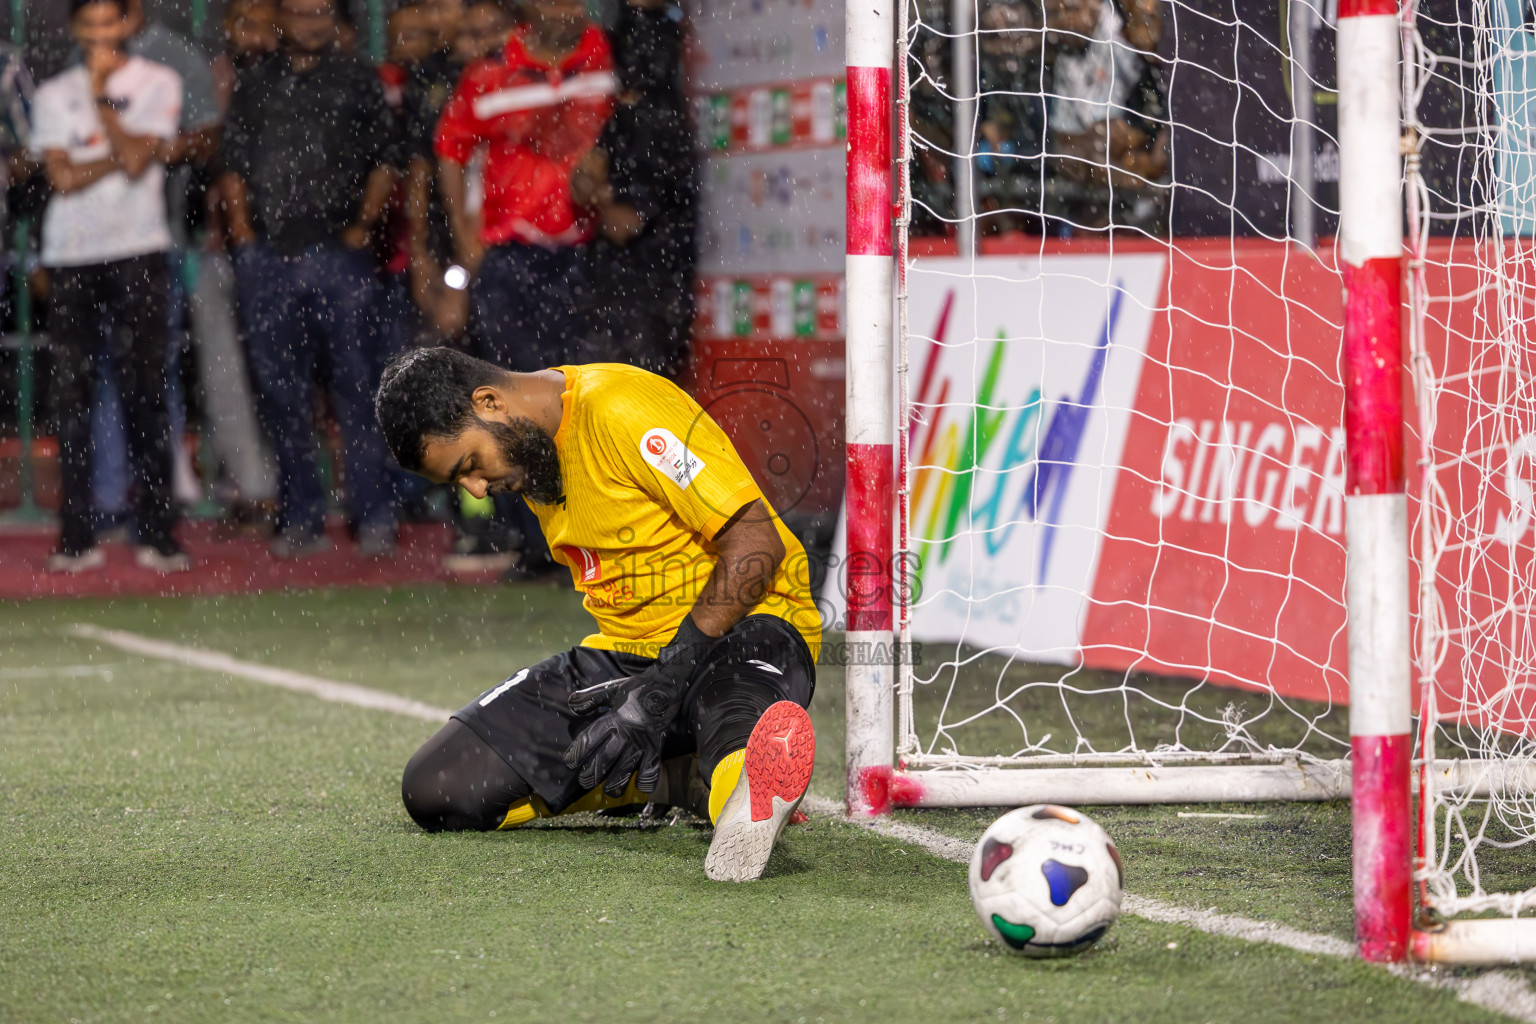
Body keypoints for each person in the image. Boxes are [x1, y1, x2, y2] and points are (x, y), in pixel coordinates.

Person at [375, 348, 821, 882]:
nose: (475, 489)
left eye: (469, 466)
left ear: (489, 402)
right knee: (436, 788)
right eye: (458, 483)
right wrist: (648, 688)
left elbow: (756, 545)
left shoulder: (623, 410)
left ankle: (743, 787)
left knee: (732, 710)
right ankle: (683, 780)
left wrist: (665, 682)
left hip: (744, 629)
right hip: (628, 656)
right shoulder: (532, 452)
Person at [223, 0, 402, 558]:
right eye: (301, 10)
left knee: (358, 389)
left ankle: (373, 516)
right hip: (270, 255)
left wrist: (363, 227)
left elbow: (386, 159)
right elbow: (232, 164)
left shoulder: (358, 80)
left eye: (323, 10)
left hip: (339, 254)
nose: (313, 20)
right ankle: (299, 517)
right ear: (282, 17)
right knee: (282, 395)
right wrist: (246, 236)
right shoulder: (256, 83)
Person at [33, 0, 187, 574]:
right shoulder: (52, 94)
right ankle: (76, 536)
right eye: (89, 26)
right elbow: (63, 177)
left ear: (128, 24)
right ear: (75, 29)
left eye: (109, 24)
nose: (100, 36)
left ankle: (159, 534)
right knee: (70, 399)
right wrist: (115, 153)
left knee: (144, 394)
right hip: (72, 256)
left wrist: (102, 107)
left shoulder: (157, 81)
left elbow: (136, 158)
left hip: (138, 252)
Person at [433, 0, 615, 373]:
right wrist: (463, 235)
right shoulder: (489, 71)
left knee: (587, 386)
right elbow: (450, 149)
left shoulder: (606, 55)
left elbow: (632, 131)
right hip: (508, 251)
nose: (565, 9)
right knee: (519, 386)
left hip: (592, 248)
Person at [571, 0, 696, 378]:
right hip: (629, 290)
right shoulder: (625, 114)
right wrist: (591, 187)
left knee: (639, 400)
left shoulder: (657, 118)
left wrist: (599, 197)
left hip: (646, 292)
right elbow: (583, 183)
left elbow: (622, 222)